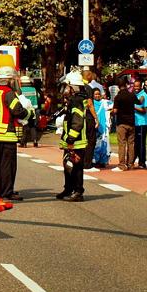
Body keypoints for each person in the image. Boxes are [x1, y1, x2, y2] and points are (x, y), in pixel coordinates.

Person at [0, 66, 35, 202]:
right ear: (9, 80)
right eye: (13, 79)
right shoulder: (9, 93)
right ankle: (6, 193)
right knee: (7, 166)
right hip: (7, 134)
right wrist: (30, 113)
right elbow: (18, 111)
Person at [56, 71, 89, 201]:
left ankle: (78, 192)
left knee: (76, 167)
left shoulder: (77, 101)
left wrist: (70, 139)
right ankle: (68, 189)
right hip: (71, 141)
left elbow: (77, 123)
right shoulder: (73, 100)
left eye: (67, 86)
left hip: (76, 141)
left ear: (72, 87)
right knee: (68, 166)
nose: (65, 89)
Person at [112, 76, 136, 171]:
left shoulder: (118, 97)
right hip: (131, 122)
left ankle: (122, 165)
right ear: (126, 85)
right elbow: (138, 102)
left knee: (122, 144)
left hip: (121, 122)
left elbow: (115, 110)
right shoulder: (131, 95)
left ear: (118, 86)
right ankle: (131, 164)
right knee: (131, 144)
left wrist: (111, 112)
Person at [19, 76, 42, 148]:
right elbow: (38, 99)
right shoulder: (34, 89)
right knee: (32, 126)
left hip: (24, 110)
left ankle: (23, 142)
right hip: (34, 110)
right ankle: (35, 141)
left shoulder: (20, 90)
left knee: (25, 126)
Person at [92, 88, 112, 167]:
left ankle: (103, 161)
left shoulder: (104, 102)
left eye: (98, 94)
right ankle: (95, 160)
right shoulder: (91, 103)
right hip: (94, 126)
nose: (97, 96)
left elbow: (114, 106)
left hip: (103, 126)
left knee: (104, 144)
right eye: (95, 94)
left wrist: (110, 113)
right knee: (95, 144)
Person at [133, 79, 147, 168]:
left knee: (141, 143)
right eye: (134, 86)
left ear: (141, 86)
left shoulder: (144, 95)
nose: (136, 88)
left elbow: (144, 111)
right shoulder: (135, 95)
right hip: (135, 123)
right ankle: (133, 160)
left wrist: (133, 107)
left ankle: (142, 162)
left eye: (137, 86)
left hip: (142, 123)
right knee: (135, 143)